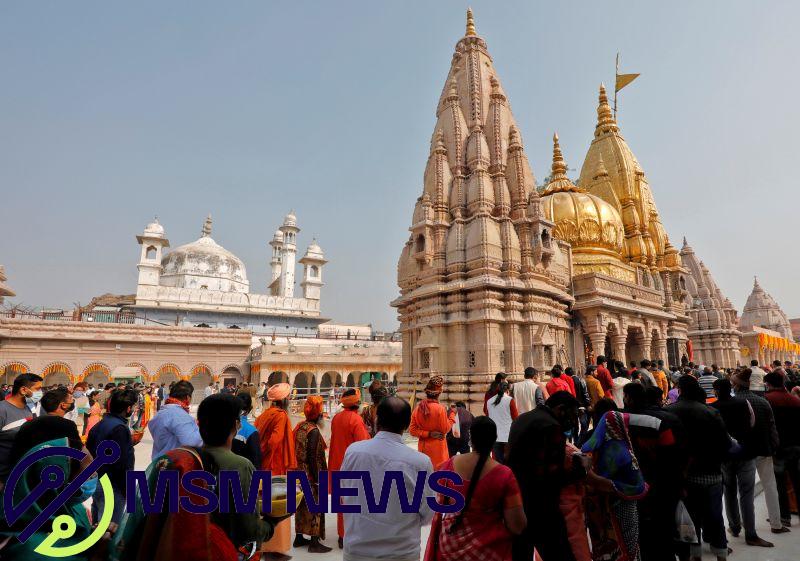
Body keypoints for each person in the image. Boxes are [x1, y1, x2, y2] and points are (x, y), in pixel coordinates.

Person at [340, 396, 435, 561]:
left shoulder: (353, 452)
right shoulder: (420, 462)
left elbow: (345, 495)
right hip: (401, 553)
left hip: (357, 551)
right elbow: (428, 513)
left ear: (377, 420)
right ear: (406, 426)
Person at [424, 416, 526, 561]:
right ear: (494, 438)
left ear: (470, 438)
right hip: (489, 550)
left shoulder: (448, 466)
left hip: (449, 546)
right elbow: (517, 526)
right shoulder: (504, 475)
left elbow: (439, 507)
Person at [507, 391, 588, 561]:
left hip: (516, 501)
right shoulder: (551, 427)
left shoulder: (522, 418)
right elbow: (550, 476)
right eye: (572, 416)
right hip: (541, 506)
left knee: (521, 553)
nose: (573, 422)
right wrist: (580, 470)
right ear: (561, 409)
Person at [198, 393, 274, 554]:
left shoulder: (186, 459)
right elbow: (249, 530)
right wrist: (271, 523)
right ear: (236, 425)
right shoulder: (240, 466)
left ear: (199, 425)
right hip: (224, 551)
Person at [668, 376, 730, 561]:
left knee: (689, 518)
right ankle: (720, 553)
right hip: (711, 473)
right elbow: (724, 443)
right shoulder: (711, 412)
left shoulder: (669, 412)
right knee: (715, 516)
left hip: (684, 476)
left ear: (680, 390)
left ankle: (694, 554)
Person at [710, 377, 773, 547]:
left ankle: (734, 526)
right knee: (746, 494)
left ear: (715, 391)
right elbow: (752, 422)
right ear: (730, 388)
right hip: (746, 452)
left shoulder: (713, 408)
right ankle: (751, 534)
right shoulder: (743, 403)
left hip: (725, 455)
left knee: (729, 491)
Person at [581, 410, 649, 561]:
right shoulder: (619, 450)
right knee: (628, 546)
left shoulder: (591, 448)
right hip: (621, 506)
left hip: (601, 510)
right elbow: (636, 483)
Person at [731, 368, 787, 534]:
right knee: (770, 486)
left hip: (742, 451)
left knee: (742, 490)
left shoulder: (734, 402)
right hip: (763, 449)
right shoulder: (763, 401)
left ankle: (740, 524)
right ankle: (776, 523)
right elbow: (772, 428)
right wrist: (773, 446)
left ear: (737, 386)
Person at [254, 382, 297, 559]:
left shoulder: (265, 414)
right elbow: (274, 440)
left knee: (264, 504)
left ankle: (264, 546)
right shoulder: (280, 416)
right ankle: (274, 549)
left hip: (264, 464)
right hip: (275, 465)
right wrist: (268, 451)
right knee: (277, 505)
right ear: (284, 400)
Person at [87, 388, 138, 525]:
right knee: (109, 529)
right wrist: (127, 488)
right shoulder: (119, 428)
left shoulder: (99, 425)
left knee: (97, 526)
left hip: (97, 482)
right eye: (133, 406)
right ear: (128, 408)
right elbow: (122, 463)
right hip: (112, 485)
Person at [328, 388, 370, 548]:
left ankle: (342, 535)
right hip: (353, 466)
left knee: (342, 502)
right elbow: (362, 445)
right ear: (357, 404)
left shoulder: (337, 418)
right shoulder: (356, 420)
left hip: (338, 463)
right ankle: (350, 536)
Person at [293, 395, 331, 553]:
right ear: (319, 414)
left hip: (298, 474)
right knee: (315, 506)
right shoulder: (313, 431)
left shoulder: (301, 426)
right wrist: (317, 479)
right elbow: (312, 457)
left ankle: (299, 537)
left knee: (301, 506)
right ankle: (314, 542)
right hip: (310, 475)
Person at [764, 371, 800, 528]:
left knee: (780, 483)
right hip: (795, 445)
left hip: (778, 447)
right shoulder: (795, 400)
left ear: (769, 384)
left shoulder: (767, 400)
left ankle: (784, 516)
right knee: (797, 480)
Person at [0, 373, 42, 483]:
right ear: (23, 390)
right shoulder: (2, 410)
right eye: (37, 389)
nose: (40, 393)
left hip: (20, 474)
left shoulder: (29, 410)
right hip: (3, 476)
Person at [147, 380, 203, 459]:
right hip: (175, 464)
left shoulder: (161, 413)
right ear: (187, 397)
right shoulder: (179, 415)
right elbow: (193, 442)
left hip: (160, 462)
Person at [410, 376, 456, 469]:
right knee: (438, 479)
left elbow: (412, 430)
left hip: (423, 449)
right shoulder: (440, 409)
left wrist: (428, 434)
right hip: (438, 451)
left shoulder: (418, 408)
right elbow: (445, 429)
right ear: (439, 393)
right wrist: (452, 415)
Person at [485, 381, 518, 463]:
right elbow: (515, 418)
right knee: (509, 461)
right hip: (508, 435)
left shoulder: (489, 401)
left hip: (495, 436)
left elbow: (488, 416)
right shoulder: (509, 400)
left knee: (498, 462)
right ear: (507, 390)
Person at [233, 391, 261, 468]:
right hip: (242, 476)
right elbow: (256, 462)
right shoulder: (251, 431)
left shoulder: (221, 426)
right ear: (250, 409)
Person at [570, 367, 591, 441]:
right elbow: (585, 393)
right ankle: (581, 440)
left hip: (573, 407)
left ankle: (576, 440)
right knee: (584, 424)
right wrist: (588, 404)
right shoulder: (581, 380)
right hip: (582, 406)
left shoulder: (568, 381)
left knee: (575, 425)